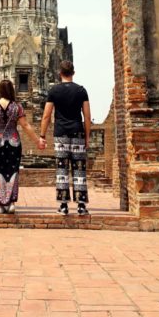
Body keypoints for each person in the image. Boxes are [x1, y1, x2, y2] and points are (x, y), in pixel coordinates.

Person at [0, 78, 45, 214]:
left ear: (0, 91)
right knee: (12, 171)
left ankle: (0, 205)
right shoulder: (17, 106)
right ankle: (11, 202)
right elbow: (25, 125)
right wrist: (37, 140)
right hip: (13, 142)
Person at [39, 60, 91, 215]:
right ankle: (81, 205)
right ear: (73, 73)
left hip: (61, 133)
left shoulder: (54, 91)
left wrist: (42, 135)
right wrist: (86, 136)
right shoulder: (81, 90)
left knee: (62, 169)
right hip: (77, 132)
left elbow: (46, 115)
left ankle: (63, 205)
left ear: (59, 73)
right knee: (79, 169)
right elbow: (87, 117)